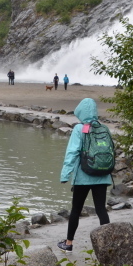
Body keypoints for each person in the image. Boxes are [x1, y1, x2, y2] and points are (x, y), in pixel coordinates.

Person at [57, 98, 111, 251]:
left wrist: (65, 175)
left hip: (83, 176)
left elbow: (72, 152)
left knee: (76, 210)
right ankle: (108, 244)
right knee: (101, 209)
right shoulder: (104, 128)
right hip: (102, 175)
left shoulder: (79, 129)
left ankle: (68, 243)